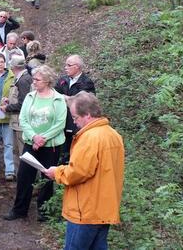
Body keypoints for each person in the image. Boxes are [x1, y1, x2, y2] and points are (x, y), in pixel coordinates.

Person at [44, 92, 124, 250]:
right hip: (104, 209)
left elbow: (78, 172)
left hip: (85, 210)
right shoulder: (113, 135)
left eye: (75, 118)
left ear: (87, 115)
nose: (74, 123)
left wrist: (57, 172)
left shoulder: (89, 138)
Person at [3, 65, 66, 222]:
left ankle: (44, 212)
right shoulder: (31, 97)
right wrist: (34, 137)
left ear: (47, 81)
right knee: (24, 176)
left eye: (37, 79)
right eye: (34, 79)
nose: (34, 82)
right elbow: (23, 119)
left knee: (46, 178)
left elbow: (59, 123)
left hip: (51, 146)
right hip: (31, 144)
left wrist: (43, 138)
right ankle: (19, 210)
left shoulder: (58, 99)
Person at [55, 55, 96, 164]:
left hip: (77, 124)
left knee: (76, 155)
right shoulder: (62, 80)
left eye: (69, 65)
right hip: (62, 122)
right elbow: (54, 95)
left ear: (77, 67)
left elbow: (80, 102)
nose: (65, 67)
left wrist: (64, 97)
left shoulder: (87, 82)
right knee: (62, 154)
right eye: (65, 65)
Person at [0, 55, 33, 164]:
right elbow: (20, 99)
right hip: (17, 122)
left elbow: (23, 104)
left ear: (14, 67)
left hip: (20, 124)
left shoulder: (23, 80)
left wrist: (7, 108)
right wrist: (9, 101)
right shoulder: (24, 78)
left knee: (23, 152)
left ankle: (25, 178)